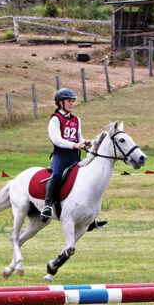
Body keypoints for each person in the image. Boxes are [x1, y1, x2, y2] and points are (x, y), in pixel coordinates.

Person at [40, 89, 104, 232]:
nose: (72, 103)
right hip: (61, 156)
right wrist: (74, 145)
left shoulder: (76, 119)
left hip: (75, 156)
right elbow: (56, 139)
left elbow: (78, 137)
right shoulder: (55, 119)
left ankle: (90, 216)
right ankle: (47, 206)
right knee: (56, 176)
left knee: (86, 179)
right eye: (69, 101)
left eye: (73, 101)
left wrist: (84, 142)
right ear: (60, 102)